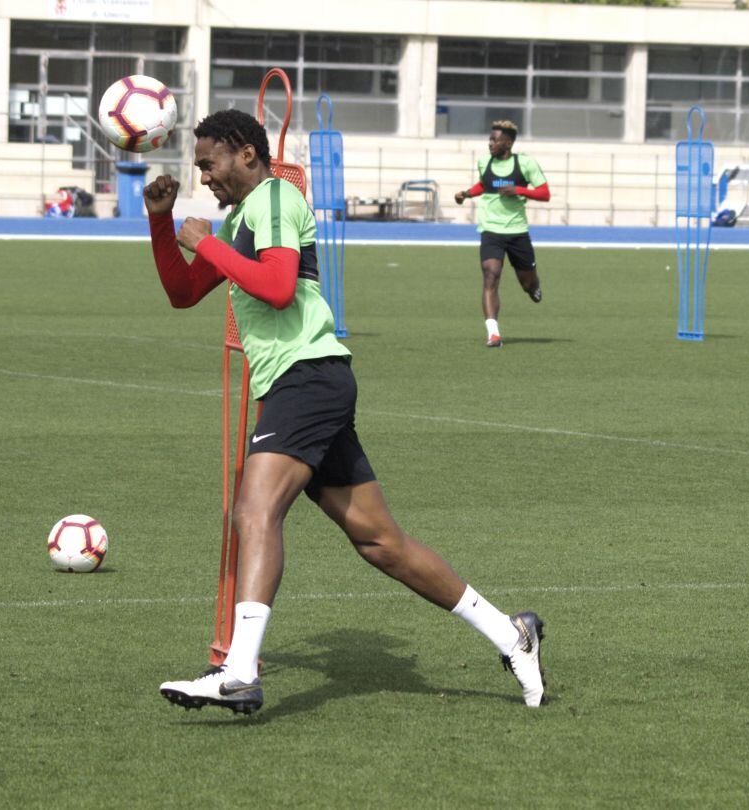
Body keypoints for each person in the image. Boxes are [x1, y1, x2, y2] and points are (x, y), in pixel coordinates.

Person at [143, 109, 548, 714]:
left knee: (255, 509)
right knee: (382, 542)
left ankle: (239, 671)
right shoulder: (246, 217)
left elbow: (278, 288)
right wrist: (160, 223)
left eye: (210, 164)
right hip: (312, 381)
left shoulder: (275, 195)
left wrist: (202, 240)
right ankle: (512, 635)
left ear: (246, 154)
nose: (205, 178)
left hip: (306, 378)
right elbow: (183, 293)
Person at [454, 120, 550, 348]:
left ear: (507, 143)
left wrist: (518, 190)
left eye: (495, 140)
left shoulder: (525, 163)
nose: (490, 144)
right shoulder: (484, 162)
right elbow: (483, 185)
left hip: (517, 232)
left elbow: (544, 193)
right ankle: (493, 333)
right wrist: (466, 194)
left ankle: (534, 287)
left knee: (526, 282)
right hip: (490, 230)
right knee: (491, 275)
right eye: (489, 139)